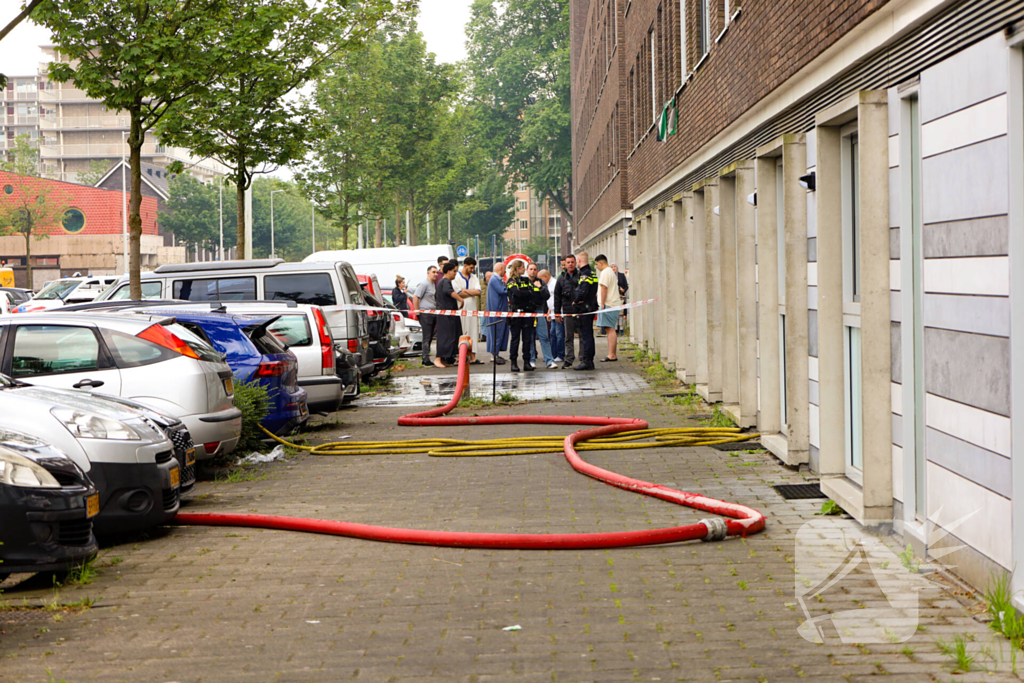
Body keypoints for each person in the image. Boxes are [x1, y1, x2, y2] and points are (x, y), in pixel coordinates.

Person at [506, 260, 536, 372]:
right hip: (515, 313)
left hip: (527, 312)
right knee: (515, 339)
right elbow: (516, 294)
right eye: (523, 267)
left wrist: (525, 294)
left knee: (527, 339)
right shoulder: (511, 281)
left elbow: (533, 292)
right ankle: (513, 362)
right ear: (517, 268)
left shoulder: (526, 280)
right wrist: (526, 293)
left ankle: (527, 362)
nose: (524, 270)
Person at [553, 254, 582, 369]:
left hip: (580, 311)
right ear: (565, 264)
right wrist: (557, 313)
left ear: (575, 263)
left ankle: (583, 358)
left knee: (582, 336)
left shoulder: (580, 276)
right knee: (568, 336)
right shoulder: (561, 278)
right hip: (567, 310)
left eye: (572, 262)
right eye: (568, 262)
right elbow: (557, 296)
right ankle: (569, 359)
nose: (570, 264)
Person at [433, 261, 464, 367]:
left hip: (447, 313)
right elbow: (449, 292)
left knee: (450, 336)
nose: (455, 274)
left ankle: (445, 359)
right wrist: (461, 299)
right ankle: (438, 359)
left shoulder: (443, 282)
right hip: (446, 314)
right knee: (445, 336)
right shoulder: (445, 282)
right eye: (454, 271)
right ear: (449, 271)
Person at [572, 251, 599, 371]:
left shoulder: (585, 274)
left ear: (579, 260)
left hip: (584, 308)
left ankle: (587, 360)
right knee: (588, 335)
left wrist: (576, 300)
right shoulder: (592, 273)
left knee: (586, 335)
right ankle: (589, 360)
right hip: (590, 306)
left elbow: (583, 290)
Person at [526, 263, 556, 369]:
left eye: (535, 269)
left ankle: (549, 361)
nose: (533, 271)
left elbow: (547, 296)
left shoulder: (541, 282)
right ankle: (531, 360)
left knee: (544, 337)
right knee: (529, 337)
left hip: (539, 311)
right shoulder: (524, 281)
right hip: (528, 312)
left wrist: (540, 288)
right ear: (527, 270)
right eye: (531, 269)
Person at [454, 257, 483, 364]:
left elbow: (478, 292)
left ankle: (473, 356)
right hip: (461, 309)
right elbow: (458, 293)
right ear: (465, 265)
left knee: (473, 331)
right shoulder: (456, 277)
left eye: (473, 268)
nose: (472, 270)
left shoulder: (474, 277)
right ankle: (460, 356)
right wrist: (471, 292)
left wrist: (465, 290)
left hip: (472, 309)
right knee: (462, 331)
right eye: (470, 268)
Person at [595, 255, 621, 362]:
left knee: (610, 329)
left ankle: (612, 354)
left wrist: (602, 303)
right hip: (612, 303)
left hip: (608, 304)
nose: (596, 267)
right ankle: (612, 353)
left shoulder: (605, 272)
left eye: (596, 264)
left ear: (601, 263)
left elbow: (604, 287)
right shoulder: (610, 271)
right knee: (609, 328)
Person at [412, 265, 439, 367]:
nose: (435, 274)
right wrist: (417, 311)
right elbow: (415, 297)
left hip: (432, 313)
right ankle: (425, 359)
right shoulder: (424, 284)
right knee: (427, 337)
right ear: (428, 273)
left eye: (436, 272)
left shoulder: (432, 284)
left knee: (431, 335)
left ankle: (426, 357)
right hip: (426, 314)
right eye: (433, 272)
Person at [485, 261, 509, 364]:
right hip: (497, 310)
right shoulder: (495, 279)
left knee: (499, 332)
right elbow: (502, 291)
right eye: (504, 269)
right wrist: (512, 288)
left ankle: (496, 353)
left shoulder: (496, 279)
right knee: (497, 332)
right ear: (501, 269)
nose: (505, 271)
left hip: (499, 310)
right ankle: (494, 354)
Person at [540, 269, 564, 365]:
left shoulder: (554, 284)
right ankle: (553, 354)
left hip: (558, 313)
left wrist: (556, 312)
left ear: (545, 277)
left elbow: (557, 299)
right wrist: (549, 311)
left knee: (559, 334)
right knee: (553, 334)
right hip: (553, 312)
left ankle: (560, 354)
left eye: (541, 279)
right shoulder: (548, 285)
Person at [612, 264, 628, 334]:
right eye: (612, 267)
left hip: (621, 296)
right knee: (615, 314)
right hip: (613, 297)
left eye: (614, 267)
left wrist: (623, 290)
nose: (613, 268)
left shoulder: (621, 275)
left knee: (621, 313)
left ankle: (621, 329)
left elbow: (626, 286)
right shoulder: (610, 276)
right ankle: (615, 329)